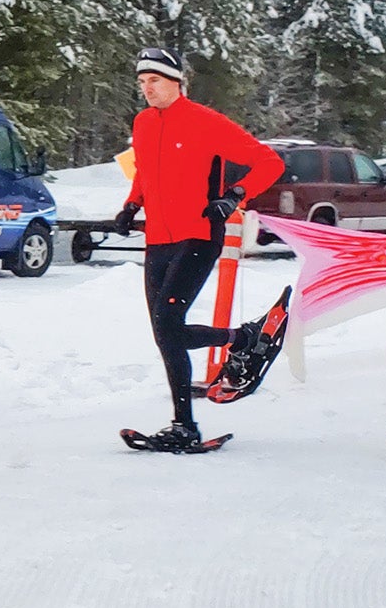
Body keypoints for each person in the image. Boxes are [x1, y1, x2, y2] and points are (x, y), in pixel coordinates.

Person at [111, 47, 283, 453]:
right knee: (164, 333)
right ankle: (184, 424)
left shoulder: (206, 122)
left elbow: (269, 162)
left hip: (199, 234)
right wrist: (131, 205)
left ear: (175, 82)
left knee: (169, 323)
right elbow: (144, 171)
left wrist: (234, 196)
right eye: (142, 82)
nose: (147, 89)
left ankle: (242, 339)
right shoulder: (144, 122)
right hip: (158, 239)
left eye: (154, 81)